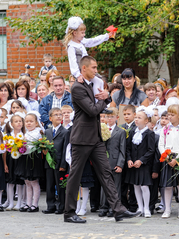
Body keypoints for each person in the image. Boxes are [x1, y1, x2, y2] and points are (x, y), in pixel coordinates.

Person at [64, 56, 140, 223]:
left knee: (106, 172)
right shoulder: (77, 87)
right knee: (75, 176)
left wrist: (104, 97)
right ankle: (69, 213)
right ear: (83, 68)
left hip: (96, 138)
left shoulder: (93, 85)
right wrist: (106, 98)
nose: (96, 70)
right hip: (82, 138)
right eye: (93, 67)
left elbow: (96, 106)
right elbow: (92, 111)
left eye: (96, 67)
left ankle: (118, 209)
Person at [63, 17, 113, 99]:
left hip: (88, 69)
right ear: (75, 33)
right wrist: (78, 75)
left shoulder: (81, 41)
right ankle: (97, 101)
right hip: (82, 73)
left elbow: (93, 41)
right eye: (82, 33)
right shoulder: (71, 46)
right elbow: (72, 62)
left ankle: (100, 101)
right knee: (95, 83)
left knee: (100, 81)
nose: (84, 35)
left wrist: (106, 36)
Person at [158, 104, 179, 219]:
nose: (170, 117)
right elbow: (161, 144)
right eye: (168, 115)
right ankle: (167, 209)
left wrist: (177, 159)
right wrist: (166, 156)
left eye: (172, 115)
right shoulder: (165, 129)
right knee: (167, 186)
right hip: (167, 157)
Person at [125, 107, 155, 218]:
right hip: (133, 164)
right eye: (136, 117)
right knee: (136, 186)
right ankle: (140, 208)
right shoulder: (132, 131)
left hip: (144, 165)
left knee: (144, 186)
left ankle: (146, 207)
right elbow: (128, 148)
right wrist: (129, 159)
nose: (136, 119)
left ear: (146, 121)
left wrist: (141, 160)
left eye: (139, 117)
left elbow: (151, 150)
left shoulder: (149, 133)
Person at [98, 107, 126, 217]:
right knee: (104, 185)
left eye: (111, 117)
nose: (109, 119)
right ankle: (103, 207)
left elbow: (122, 150)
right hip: (104, 161)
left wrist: (120, 164)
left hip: (115, 162)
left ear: (117, 118)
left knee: (115, 186)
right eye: (107, 117)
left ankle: (113, 207)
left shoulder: (120, 132)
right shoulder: (101, 129)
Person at [15, 112, 45, 213]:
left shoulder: (37, 133)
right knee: (27, 182)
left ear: (36, 123)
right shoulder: (25, 133)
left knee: (34, 182)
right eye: (27, 121)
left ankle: (35, 204)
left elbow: (32, 147)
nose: (28, 123)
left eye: (31, 121)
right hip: (25, 158)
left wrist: (23, 145)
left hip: (33, 158)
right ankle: (28, 203)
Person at [43, 108, 69, 215]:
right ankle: (51, 205)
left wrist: (63, 164)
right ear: (50, 118)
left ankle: (61, 206)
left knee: (60, 186)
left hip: (59, 163)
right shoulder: (47, 131)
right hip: (49, 162)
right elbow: (44, 145)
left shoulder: (65, 132)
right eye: (56, 115)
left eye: (60, 114)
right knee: (49, 185)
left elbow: (65, 149)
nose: (58, 116)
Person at [3, 113, 26, 211]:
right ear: (11, 124)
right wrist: (5, 163)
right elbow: (4, 151)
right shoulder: (7, 136)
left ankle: (19, 202)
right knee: (10, 181)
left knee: (20, 182)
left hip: (21, 160)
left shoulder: (25, 135)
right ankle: (10, 202)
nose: (18, 123)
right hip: (10, 160)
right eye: (16, 121)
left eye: (20, 121)